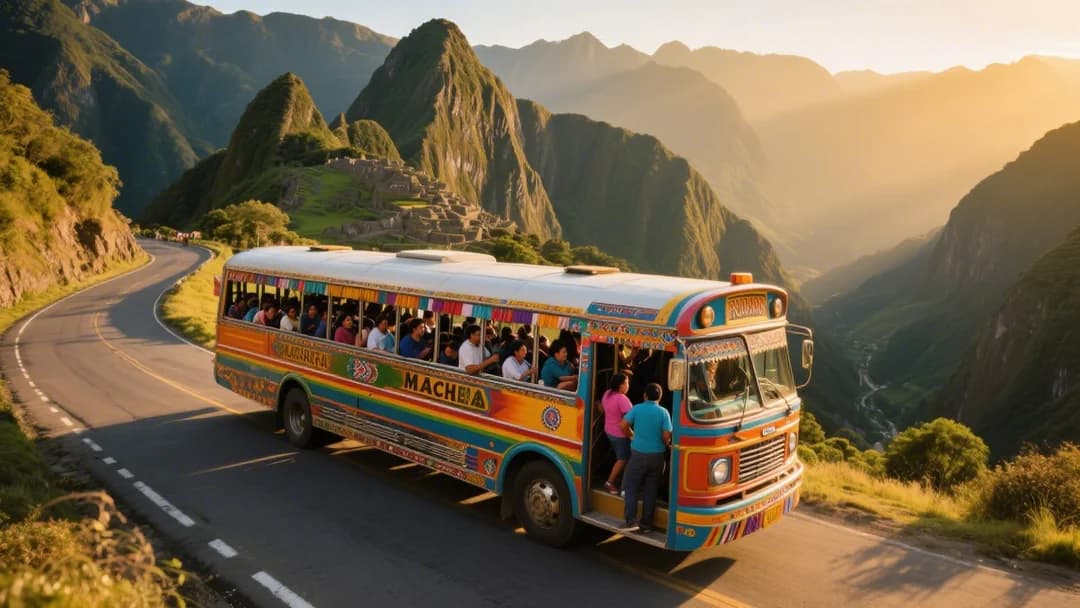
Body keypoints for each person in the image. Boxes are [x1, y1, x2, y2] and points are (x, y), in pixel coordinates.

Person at [619, 383, 672, 534]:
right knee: (651, 490)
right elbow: (666, 436)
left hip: (638, 455)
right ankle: (646, 524)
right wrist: (665, 442)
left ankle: (631, 521)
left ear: (645, 396)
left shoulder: (637, 409)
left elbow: (623, 425)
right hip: (657, 457)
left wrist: (632, 435)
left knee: (631, 488)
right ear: (660, 397)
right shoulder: (664, 413)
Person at [602, 373, 633, 494]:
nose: (628, 385)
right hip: (620, 434)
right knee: (623, 459)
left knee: (620, 456)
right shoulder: (622, 399)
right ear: (620, 386)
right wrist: (632, 435)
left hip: (608, 430)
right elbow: (631, 418)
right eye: (627, 383)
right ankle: (610, 482)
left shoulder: (607, 393)